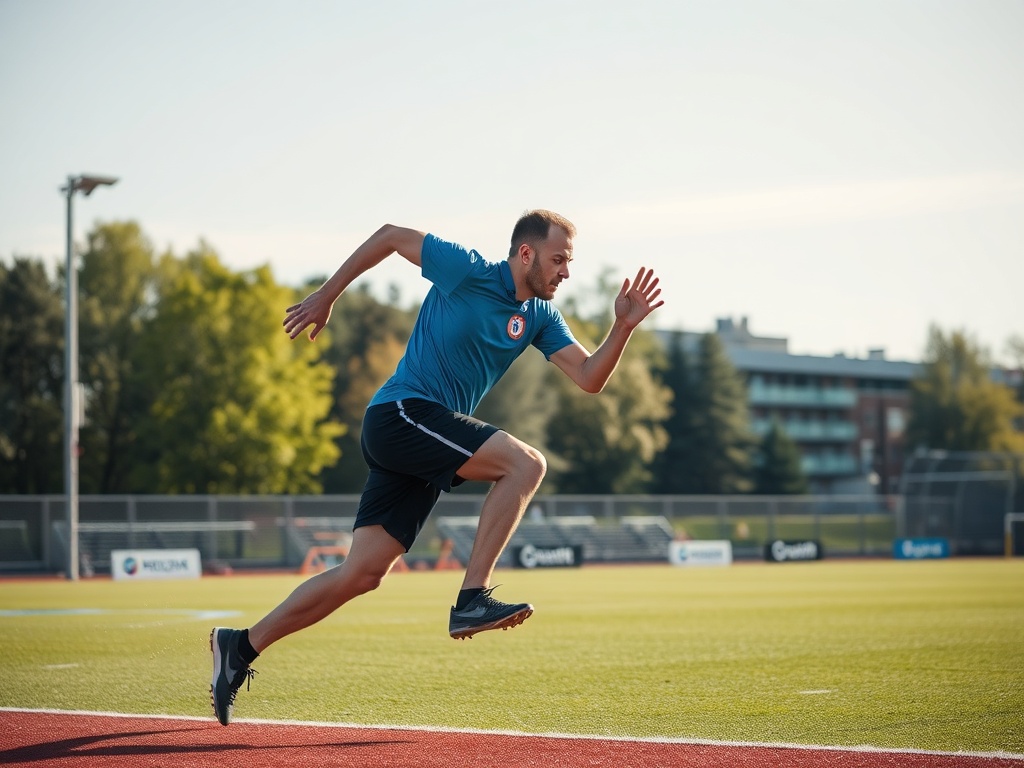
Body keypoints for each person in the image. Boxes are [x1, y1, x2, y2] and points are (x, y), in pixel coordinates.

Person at [209, 210, 663, 726]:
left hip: (417, 439)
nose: (565, 272)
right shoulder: (467, 269)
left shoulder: (539, 316)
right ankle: (472, 597)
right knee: (525, 464)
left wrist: (622, 327)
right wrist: (328, 295)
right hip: (402, 414)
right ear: (527, 253)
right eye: (559, 260)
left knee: (362, 574)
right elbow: (389, 236)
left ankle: (240, 647)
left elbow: (587, 377)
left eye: (569, 262)